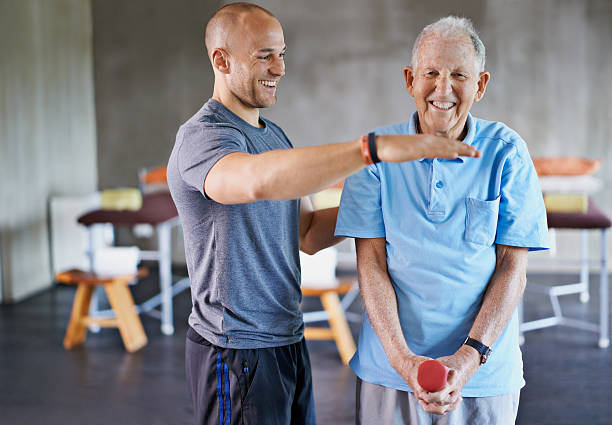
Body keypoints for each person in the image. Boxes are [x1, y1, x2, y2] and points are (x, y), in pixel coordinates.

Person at [167, 3, 479, 425]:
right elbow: (254, 181)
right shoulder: (203, 137)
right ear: (221, 60)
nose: (279, 68)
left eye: (282, 54)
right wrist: (370, 151)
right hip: (235, 347)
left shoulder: (274, 136)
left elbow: (309, 233)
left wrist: (385, 203)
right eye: (264, 56)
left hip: (286, 339)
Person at [335, 16, 549, 425]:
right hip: (389, 372)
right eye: (430, 73)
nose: (443, 88)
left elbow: (512, 268)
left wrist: (469, 359)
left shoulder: (507, 151)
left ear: (481, 85)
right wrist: (403, 361)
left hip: (485, 373)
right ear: (410, 80)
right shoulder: (374, 153)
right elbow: (372, 265)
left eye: (459, 75)